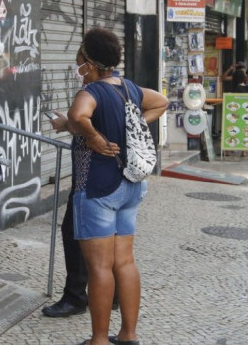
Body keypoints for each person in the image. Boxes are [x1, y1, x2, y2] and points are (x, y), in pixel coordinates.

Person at [64, 28, 166, 345]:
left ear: (89, 61)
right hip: (131, 188)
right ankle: (128, 335)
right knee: (124, 261)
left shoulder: (90, 92)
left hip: (98, 188)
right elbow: (161, 101)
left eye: (80, 55)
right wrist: (131, 125)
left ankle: (99, 340)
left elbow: (79, 116)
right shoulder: (129, 88)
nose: (77, 61)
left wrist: (94, 138)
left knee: (99, 268)